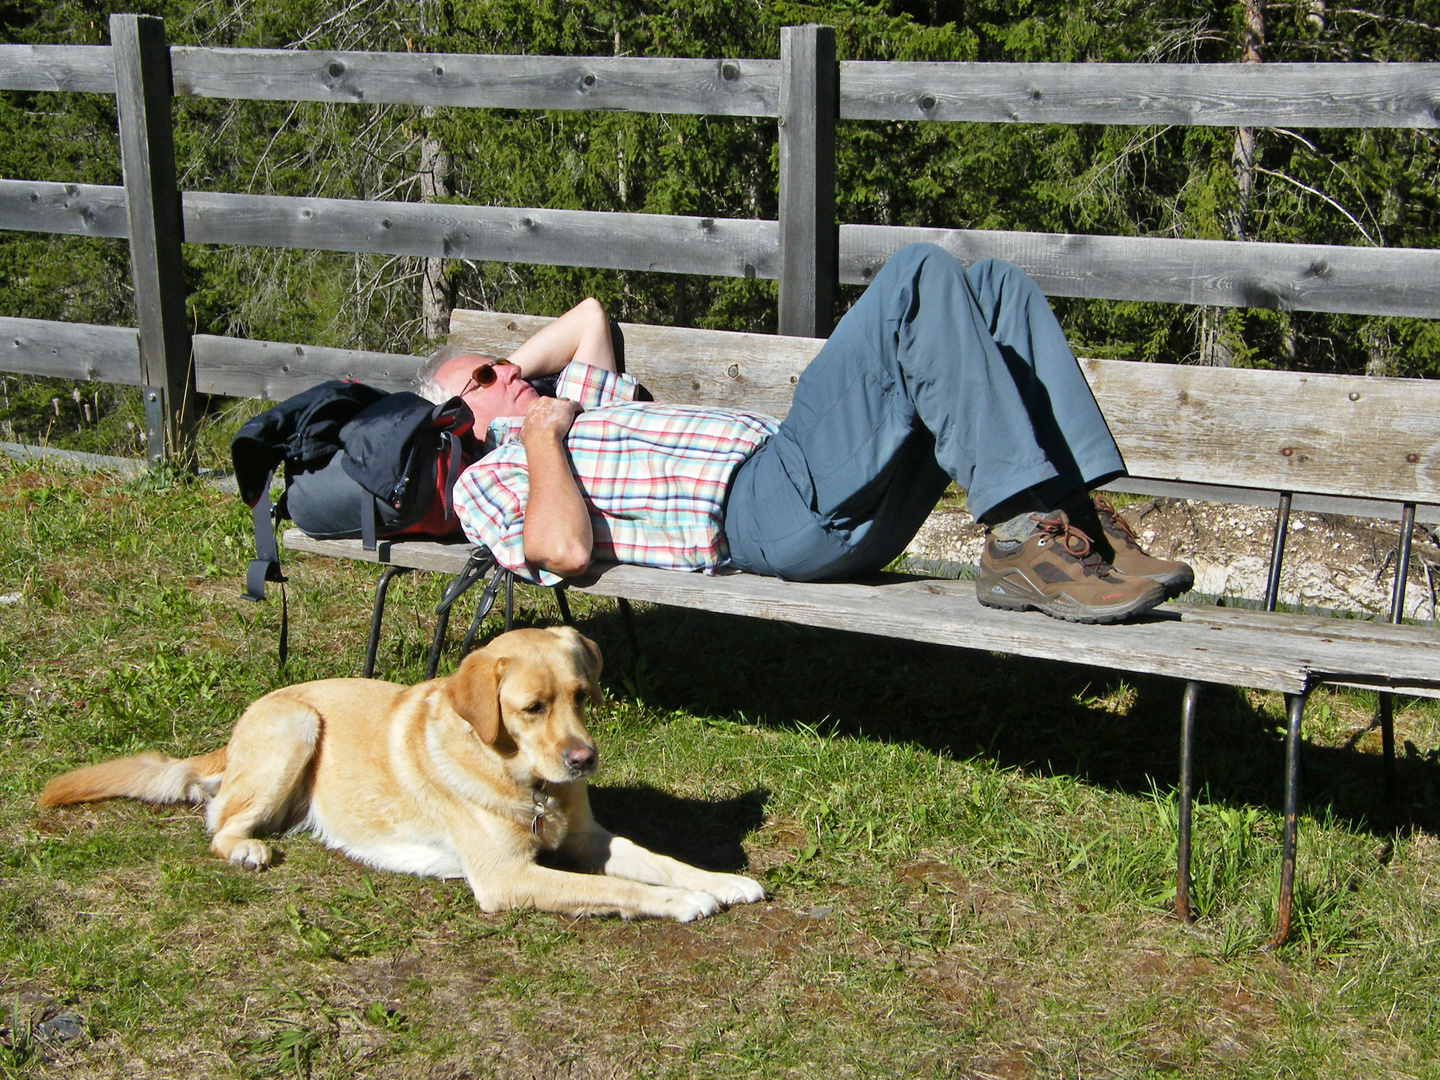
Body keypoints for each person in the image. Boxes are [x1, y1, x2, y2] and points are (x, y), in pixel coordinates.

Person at [416, 244, 1193, 624]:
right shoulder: (490, 478)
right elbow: (562, 552)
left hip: (810, 478)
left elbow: (588, 316)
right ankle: (1023, 537)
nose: (502, 375)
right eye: (478, 381)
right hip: (761, 508)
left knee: (991, 284)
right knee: (920, 275)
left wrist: (515, 380)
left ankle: (1070, 521)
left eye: (496, 365)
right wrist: (537, 438)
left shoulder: (569, 402)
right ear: (454, 419)